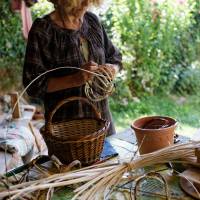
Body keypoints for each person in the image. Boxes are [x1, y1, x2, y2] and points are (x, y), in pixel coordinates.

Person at [23, 0, 122, 136]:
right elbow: (32, 84)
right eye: (80, 1)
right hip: (67, 132)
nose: (86, 4)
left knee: (111, 157)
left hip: (103, 124)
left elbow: (114, 57)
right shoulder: (43, 30)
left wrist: (112, 69)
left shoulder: (92, 21)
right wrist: (75, 79)